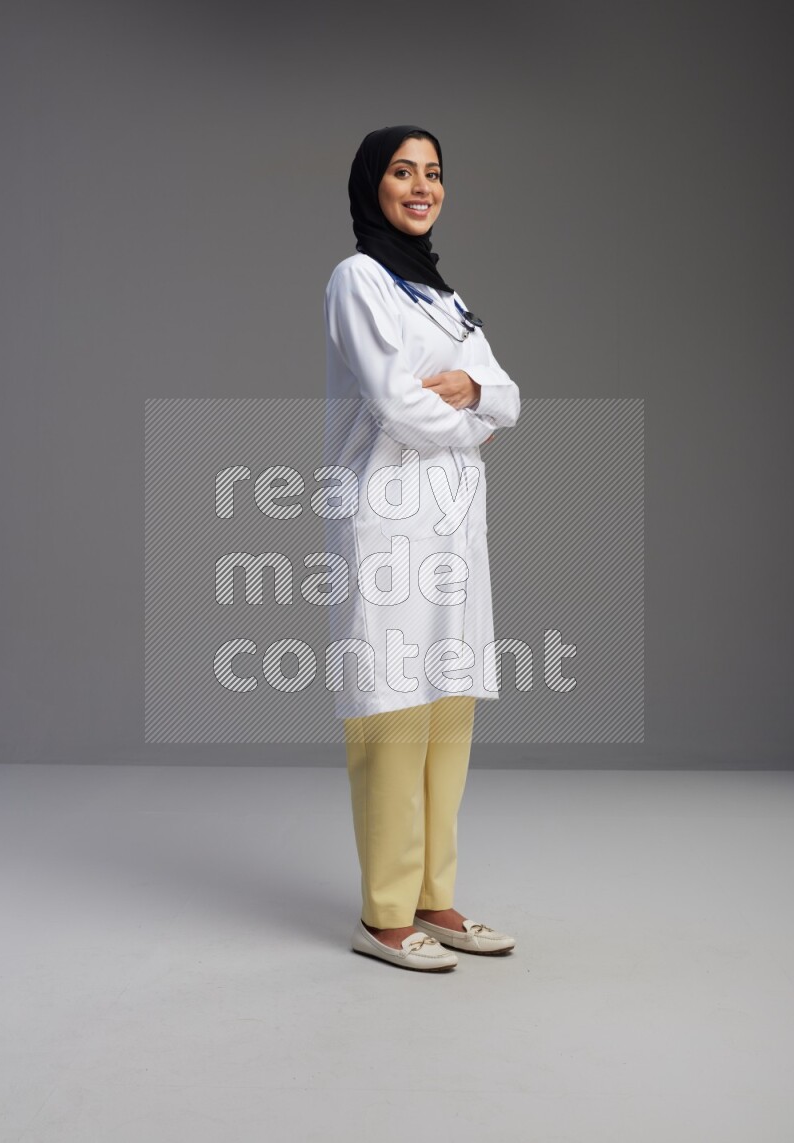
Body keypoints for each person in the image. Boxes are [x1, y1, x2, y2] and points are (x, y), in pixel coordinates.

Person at [323, 125, 521, 972]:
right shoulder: (358, 280)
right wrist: (468, 420)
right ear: (373, 184)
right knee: (394, 708)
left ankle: (435, 896)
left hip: (453, 520)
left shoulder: (444, 295)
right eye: (403, 172)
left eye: (433, 173)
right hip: (389, 516)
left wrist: (476, 392)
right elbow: (397, 406)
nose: (420, 185)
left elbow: (509, 395)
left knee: (450, 703)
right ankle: (383, 912)